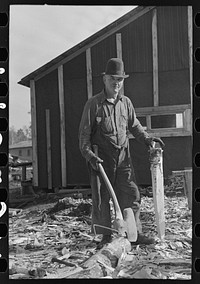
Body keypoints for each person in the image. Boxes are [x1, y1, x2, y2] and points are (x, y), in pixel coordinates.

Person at [79, 58, 164, 249]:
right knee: (101, 199)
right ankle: (105, 237)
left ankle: (134, 234)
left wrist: (149, 140)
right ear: (105, 79)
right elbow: (83, 138)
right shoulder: (94, 105)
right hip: (101, 160)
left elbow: (135, 127)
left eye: (120, 79)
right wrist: (90, 157)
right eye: (112, 79)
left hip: (123, 159)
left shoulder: (126, 103)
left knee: (131, 194)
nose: (116, 83)